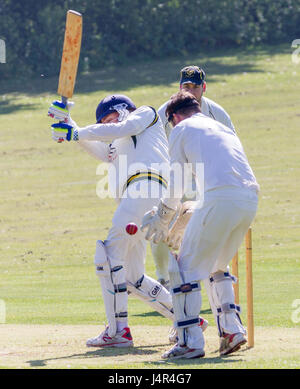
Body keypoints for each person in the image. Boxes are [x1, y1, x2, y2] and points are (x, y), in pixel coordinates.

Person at [48, 95, 175, 348]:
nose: (108, 124)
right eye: (103, 122)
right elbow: (104, 152)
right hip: (139, 199)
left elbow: (121, 127)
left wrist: (77, 132)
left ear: (122, 109)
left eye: (109, 118)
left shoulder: (144, 114)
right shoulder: (120, 143)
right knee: (131, 275)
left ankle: (118, 331)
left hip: (144, 189)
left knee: (107, 258)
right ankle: (185, 319)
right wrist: (68, 122)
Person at [141, 91, 259, 359]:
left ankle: (189, 341)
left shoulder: (181, 129)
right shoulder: (220, 127)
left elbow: (178, 180)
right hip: (249, 200)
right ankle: (231, 331)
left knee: (182, 268)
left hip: (219, 199)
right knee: (217, 265)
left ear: (174, 117)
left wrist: (162, 214)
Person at [152, 65, 235, 288]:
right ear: (180, 87)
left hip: (205, 178)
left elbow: (231, 145)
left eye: (195, 87)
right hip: (172, 173)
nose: (190, 91)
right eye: (185, 86)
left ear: (204, 88)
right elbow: (154, 145)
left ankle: (204, 276)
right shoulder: (166, 112)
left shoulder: (217, 113)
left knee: (200, 223)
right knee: (159, 218)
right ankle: (164, 279)